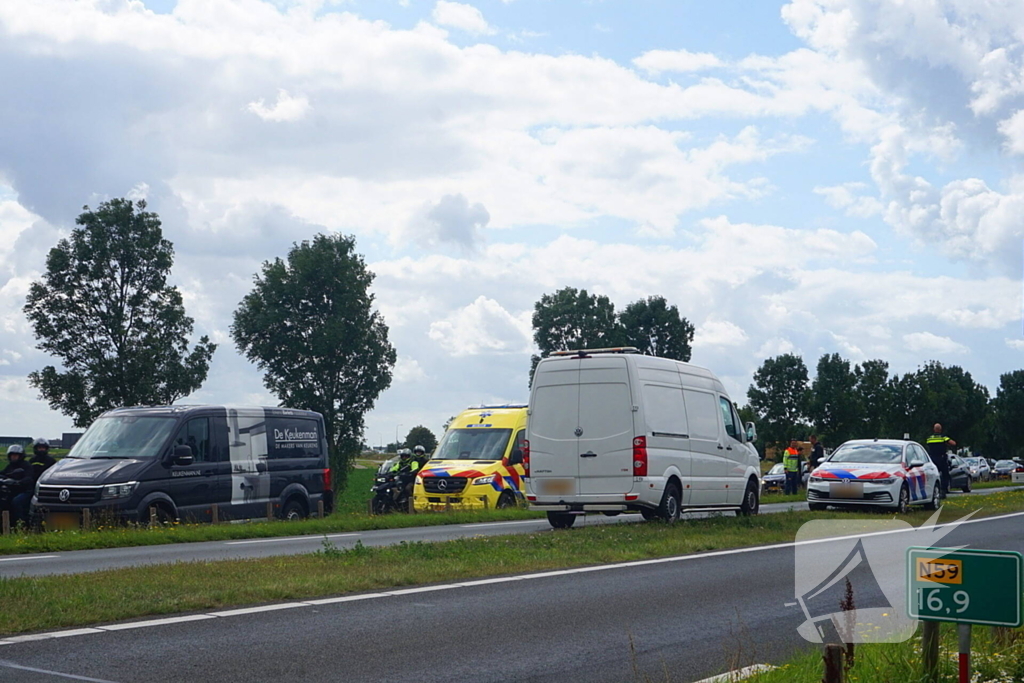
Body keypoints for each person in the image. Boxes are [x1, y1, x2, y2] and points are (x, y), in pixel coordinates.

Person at [12, 438, 57, 523]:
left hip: (45, 490)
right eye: (39, 448)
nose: (41, 449)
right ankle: (22, 523)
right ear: (35, 449)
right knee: (18, 502)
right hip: (31, 488)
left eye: (43, 448)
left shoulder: (51, 461)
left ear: (46, 449)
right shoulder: (31, 461)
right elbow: (27, 474)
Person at [0, 445, 33, 525]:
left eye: (16, 455)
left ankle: (21, 525)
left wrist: (18, 482)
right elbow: (4, 473)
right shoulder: (10, 466)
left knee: (16, 502)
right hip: (12, 491)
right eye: (12, 455)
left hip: (25, 491)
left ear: (21, 456)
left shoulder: (26, 465)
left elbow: (29, 478)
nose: (14, 457)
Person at [926, 423, 956, 499]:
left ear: (934, 429)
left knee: (934, 475)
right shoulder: (943, 438)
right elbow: (953, 443)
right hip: (941, 458)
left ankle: (934, 490)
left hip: (932, 459)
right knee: (945, 475)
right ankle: (943, 491)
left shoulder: (929, 439)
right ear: (940, 430)